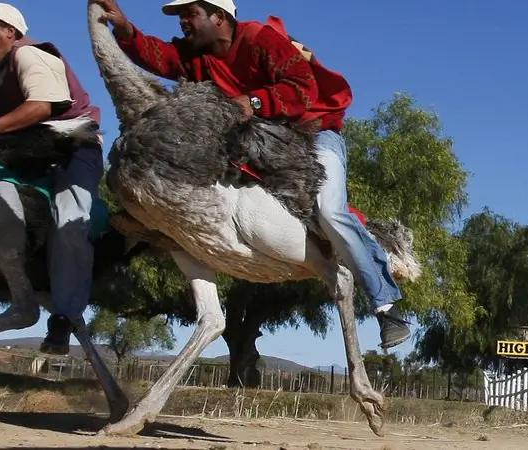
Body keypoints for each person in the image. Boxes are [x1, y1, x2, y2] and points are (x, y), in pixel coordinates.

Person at [91, 0, 411, 349]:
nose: (183, 22)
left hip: (311, 133)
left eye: (190, 14)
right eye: (181, 16)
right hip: (255, 135)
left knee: (331, 211)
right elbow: (161, 56)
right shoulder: (199, 53)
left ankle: (386, 307)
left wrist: (253, 102)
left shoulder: (260, 39)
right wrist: (123, 28)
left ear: (219, 17)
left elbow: (303, 88)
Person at [0, 2, 104, 355]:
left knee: (71, 221)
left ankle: (64, 317)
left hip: (75, 149)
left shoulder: (32, 57)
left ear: (9, 31)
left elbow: (43, 106)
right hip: (29, 155)